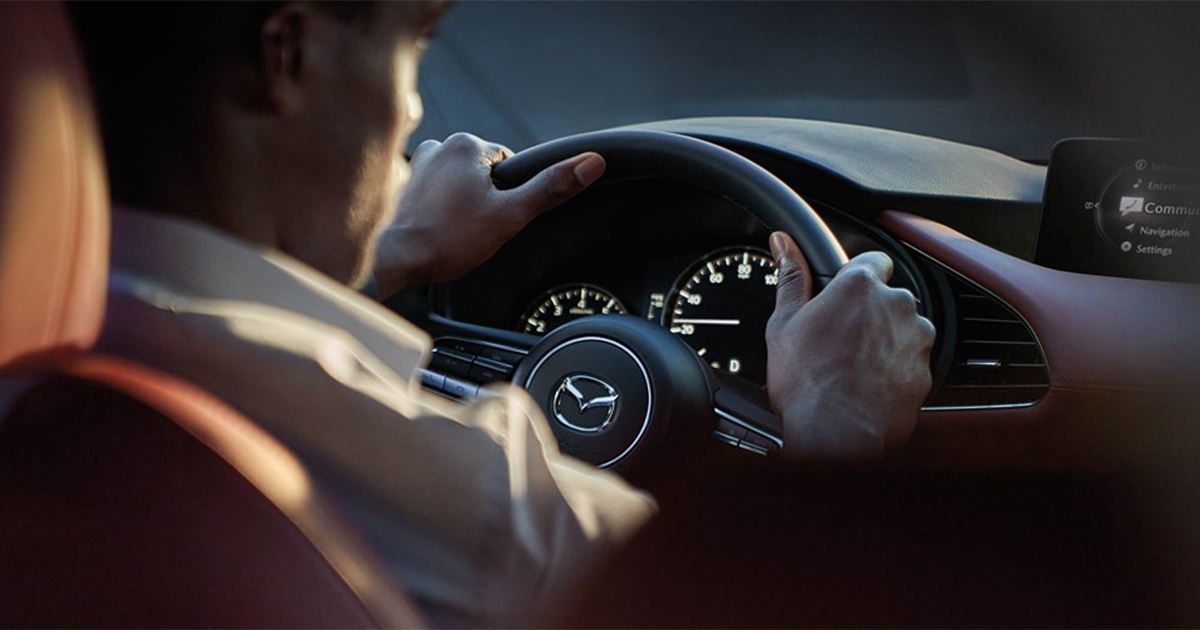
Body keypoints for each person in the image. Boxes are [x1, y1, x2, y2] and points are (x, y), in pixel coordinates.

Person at [69, 1, 935, 626]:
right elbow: (779, 607)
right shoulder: (474, 503)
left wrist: (392, 254)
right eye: (417, 44)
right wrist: (838, 423)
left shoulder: (56, 330)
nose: (415, 116)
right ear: (287, 58)